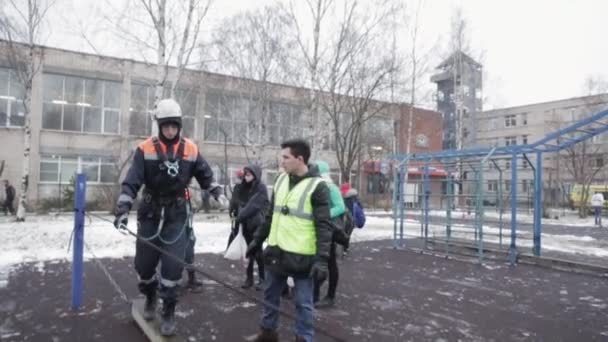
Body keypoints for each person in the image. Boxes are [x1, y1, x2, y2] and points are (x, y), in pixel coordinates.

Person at [113, 99, 223, 336]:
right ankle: (150, 295)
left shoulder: (191, 149)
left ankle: (169, 310)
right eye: (166, 126)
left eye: (174, 126)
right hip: (151, 214)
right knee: (144, 266)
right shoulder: (145, 149)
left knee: (173, 267)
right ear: (159, 126)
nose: (170, 131)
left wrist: (214, 190)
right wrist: (122, 208)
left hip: (177, 215)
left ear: (179, 126)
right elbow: (132, 181)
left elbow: (205, 174)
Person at [246, 139, 332, 342]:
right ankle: (268, 334)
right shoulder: (281, 180)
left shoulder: (318, 187)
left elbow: (324, 227)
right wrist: (257, 240)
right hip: (277, 251)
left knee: (303, 303)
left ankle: (304, 338)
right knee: (270, 296)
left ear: (299, 159)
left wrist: (322, 260)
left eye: (286, 157)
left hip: (303, 257)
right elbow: (270, 216)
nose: (281, 161)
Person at [311, 161, 347, 309]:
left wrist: (323, 215)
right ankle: (315, 294)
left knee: (330, 263)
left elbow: (340, 207)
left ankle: (330, 296)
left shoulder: (331, 188)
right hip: (319, 228)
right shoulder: (317, 186)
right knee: (318, 261)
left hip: (329, 230)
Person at [232, 164, 269, 290]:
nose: (246, 177)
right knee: (248, 252)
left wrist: (241, 213)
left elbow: (254, 205)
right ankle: (249, 278)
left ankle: (263, 279)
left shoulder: (261, 188)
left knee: (257, 252)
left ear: (255, 175)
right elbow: (237, 201)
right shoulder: (242, 187)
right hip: (246, 224)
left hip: (258, 225)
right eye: (245, 174)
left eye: (249, 174)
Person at [181, 188, 203, 293]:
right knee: (178, 256)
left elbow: (189, 216)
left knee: (189, 254)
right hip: (178, 233)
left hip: (188, 231)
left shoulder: (187, 202)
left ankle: (191, 279)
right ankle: (174, 285)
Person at [340, 183, 364, 255]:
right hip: (352, 220)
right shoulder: (355, 197)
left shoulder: (347, 199)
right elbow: (361, 207)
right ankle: (345, 248)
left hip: (347, 219)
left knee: (344, 233)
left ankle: (344, 249)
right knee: (347, 234)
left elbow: (343, 209)